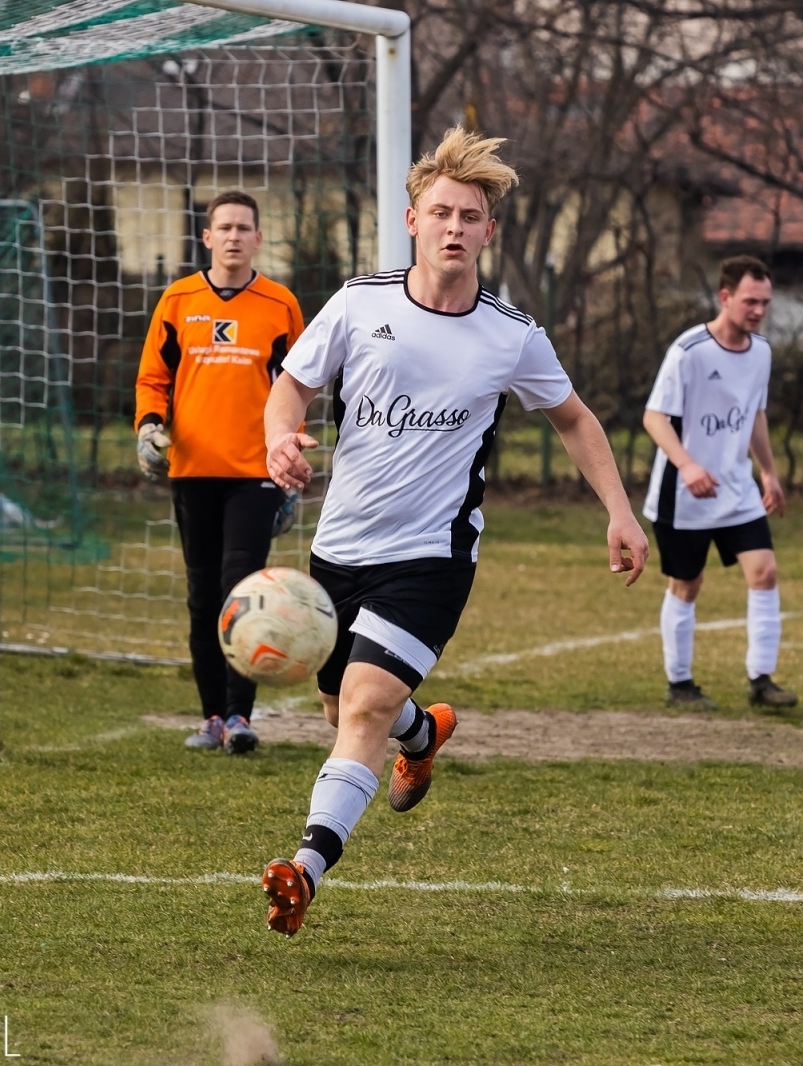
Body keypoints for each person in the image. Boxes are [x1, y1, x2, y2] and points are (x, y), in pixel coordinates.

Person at [259, 127, 649, 936]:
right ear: (412, 220)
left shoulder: (511, 335)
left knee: (362, 706)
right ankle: (422, 730)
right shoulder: (360, 303)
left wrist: (619, 510)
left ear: (488, 232)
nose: (454, 228)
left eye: (470, 217)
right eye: (441, 212)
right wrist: (279, 437)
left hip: (431, 558)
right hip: (339, 547)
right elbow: (290, 385)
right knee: (339, 711)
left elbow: (575, 420)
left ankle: (304, 869)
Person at [133, 190, 305, 756]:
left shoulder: (280, 305)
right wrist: (149, 427)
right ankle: (211, 715)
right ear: (206, 238)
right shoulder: (178, 300)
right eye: (224, 227)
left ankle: (239, 717)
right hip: (193, 471)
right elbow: (153, 378)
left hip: (255, 473)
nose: (234, 236)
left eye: (244, 227)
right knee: (203, 597)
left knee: (242, 590)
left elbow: (298, 386)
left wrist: (291, 452)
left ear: (259, 238)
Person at [641, 255, 794, 711]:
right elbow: (654, 417)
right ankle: (680, 683)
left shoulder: (761, 351)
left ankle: (761, 680)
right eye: (751, 301)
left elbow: (755, 415)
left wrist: (767, 471)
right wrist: (687, 466)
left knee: (764, 572)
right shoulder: (689, 352)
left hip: (737, 490)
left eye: (765, 302)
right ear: (725, 297)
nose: (759, 310)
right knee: (687, 584)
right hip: (683, 495)